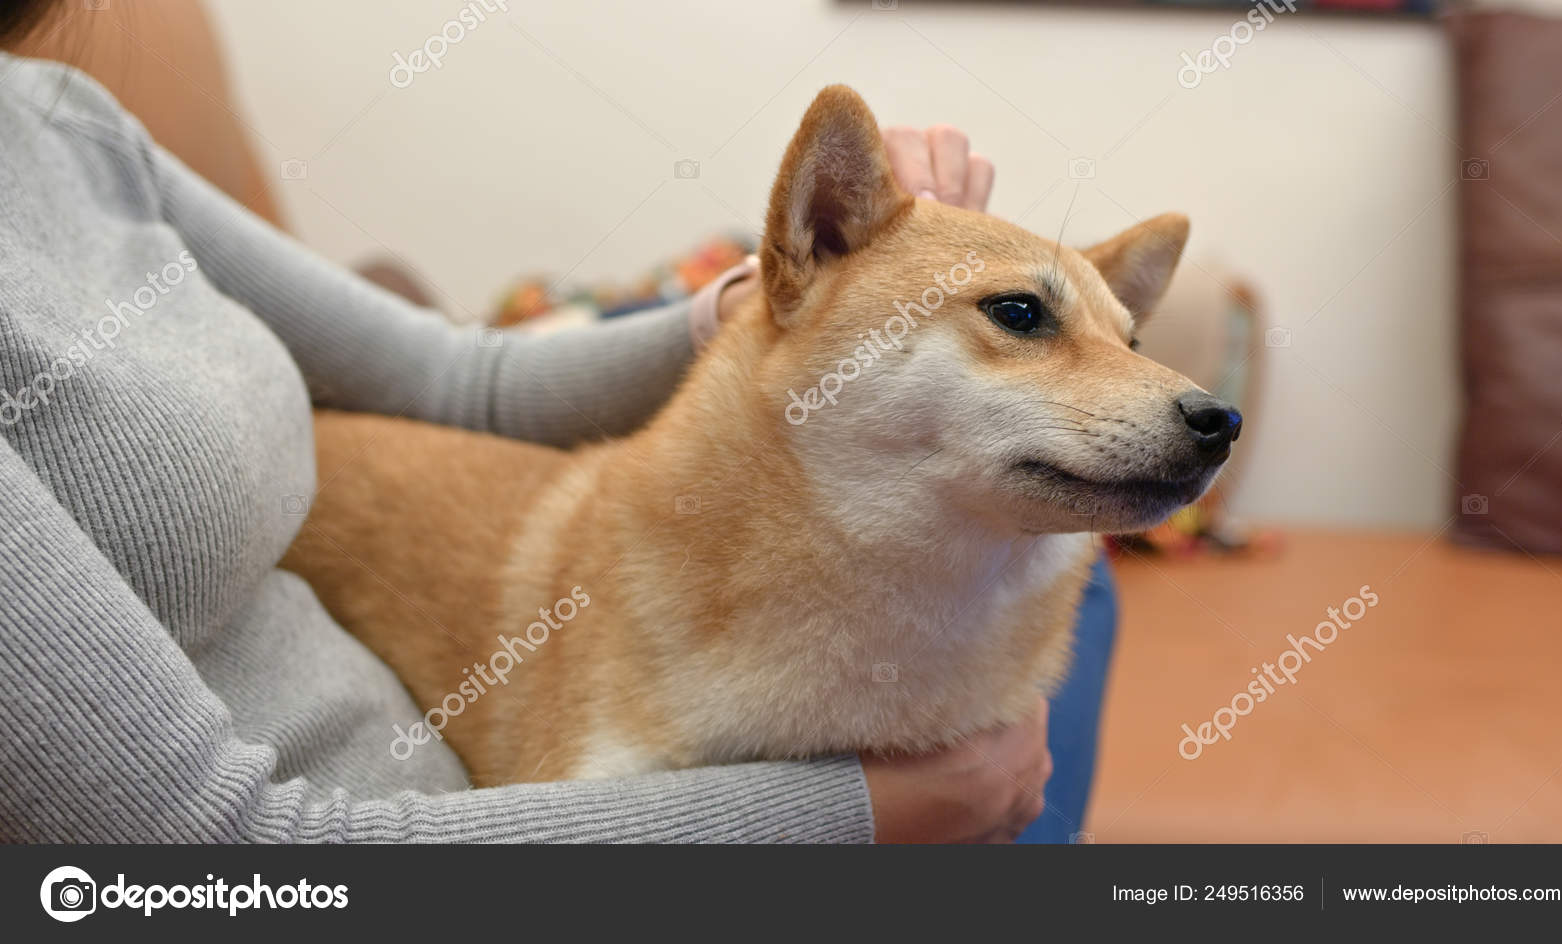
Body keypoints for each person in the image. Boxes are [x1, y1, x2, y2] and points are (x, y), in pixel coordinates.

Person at [0, 0, 1063, 842]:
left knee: (1053, 581)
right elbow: (236, 856)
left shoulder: (61, 126)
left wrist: (777, 303)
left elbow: (452, 376)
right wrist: (872, 809)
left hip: (474, 783)